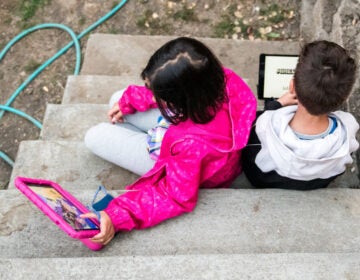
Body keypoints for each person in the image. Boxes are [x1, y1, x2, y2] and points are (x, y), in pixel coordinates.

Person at [82, 37, 257, 245]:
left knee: (94, 137)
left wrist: (116, 216)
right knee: (118, 99)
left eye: (158, 94)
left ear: (181, 99)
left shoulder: (192, 146)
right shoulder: (223, 79)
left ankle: (132, 133)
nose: (152, 94)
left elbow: (174, 195)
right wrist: (137, 98)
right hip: (192, 138)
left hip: (182, 155)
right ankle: (132, 126)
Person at [242, 40, 359, 190]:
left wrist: (275, 105)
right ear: (345, 97)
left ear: (291, 86)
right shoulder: (346, 137)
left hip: (262, 181)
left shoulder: (262, 125)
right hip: (315, 183)